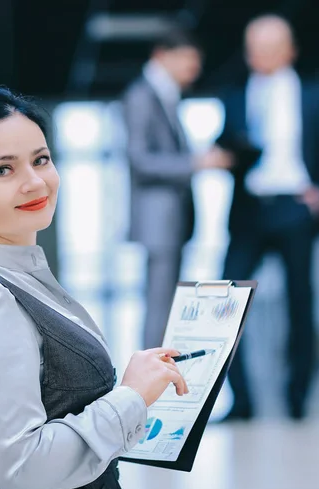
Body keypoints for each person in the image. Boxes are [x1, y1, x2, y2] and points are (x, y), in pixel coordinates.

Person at [0, 86, 190, 489]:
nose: (34, 182)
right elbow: (21, 467)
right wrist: (131, 397)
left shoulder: (13, 276)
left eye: (40, 159)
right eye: (3, 170)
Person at [216, 15, 319, 421]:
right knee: (227, 303)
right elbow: (225, 147)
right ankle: (242, 401)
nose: (260, 56)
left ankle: (298, 398)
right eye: (253, 48)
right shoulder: (235, 96)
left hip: (295, 209)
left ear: (289, 50)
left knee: (301, 303)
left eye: (269, 48)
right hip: (249, 210)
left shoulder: (317, 96)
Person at [121, 30, 233, 351]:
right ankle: (150, 388)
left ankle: (159, 382)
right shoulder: (142, 95)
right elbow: (140, 161)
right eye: (188, 60)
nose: (193, 70)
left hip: (172, 219)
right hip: (159, 220)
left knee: (167, 307)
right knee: (159, 308)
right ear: (162, 55)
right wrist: (196, 162)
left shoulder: (165, 95)